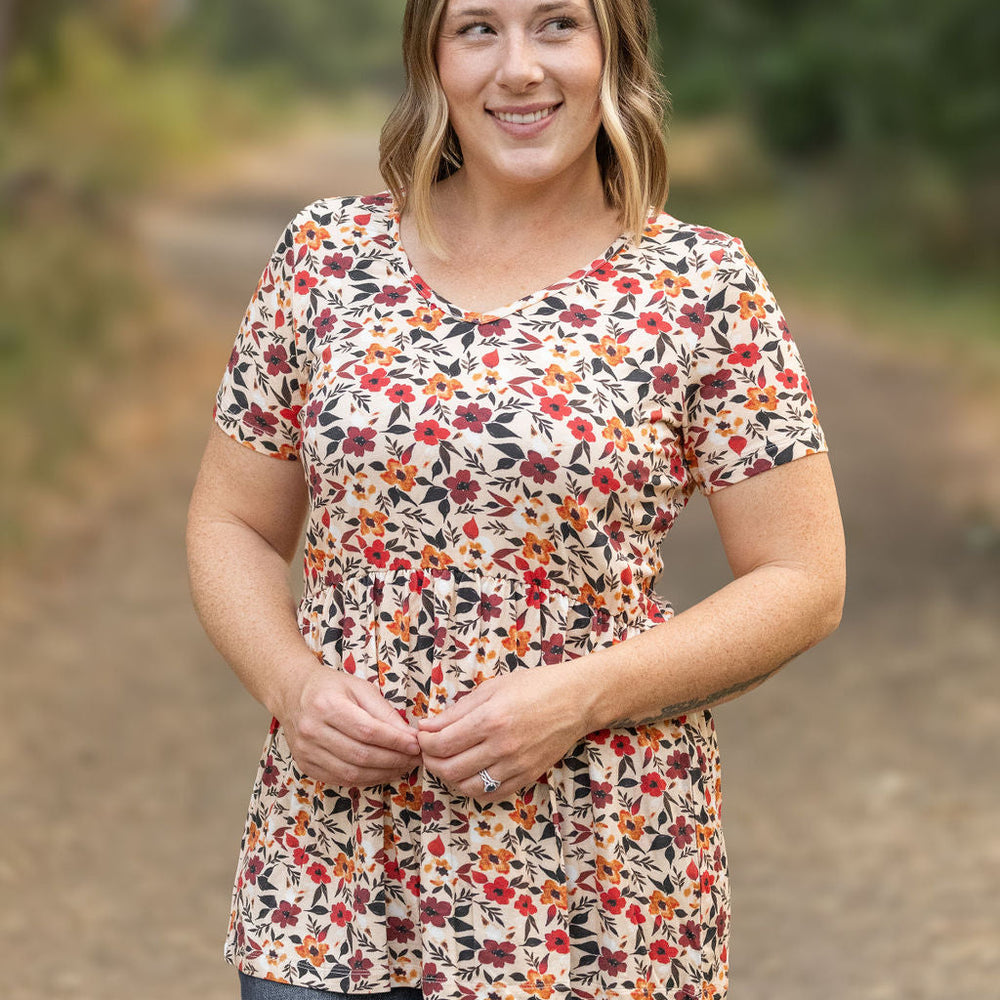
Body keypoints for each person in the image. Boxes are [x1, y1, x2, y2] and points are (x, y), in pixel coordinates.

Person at [186, 0, 846, 997]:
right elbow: (231, 519)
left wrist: (579, 694)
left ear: (612, 51)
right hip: (334, 872)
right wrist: (292, 685)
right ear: (433, 59)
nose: (519, 68)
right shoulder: (324, 260)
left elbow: (804, 579)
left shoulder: (701, 286)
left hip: (596, 880)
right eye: (477, 29)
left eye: (556, 26)